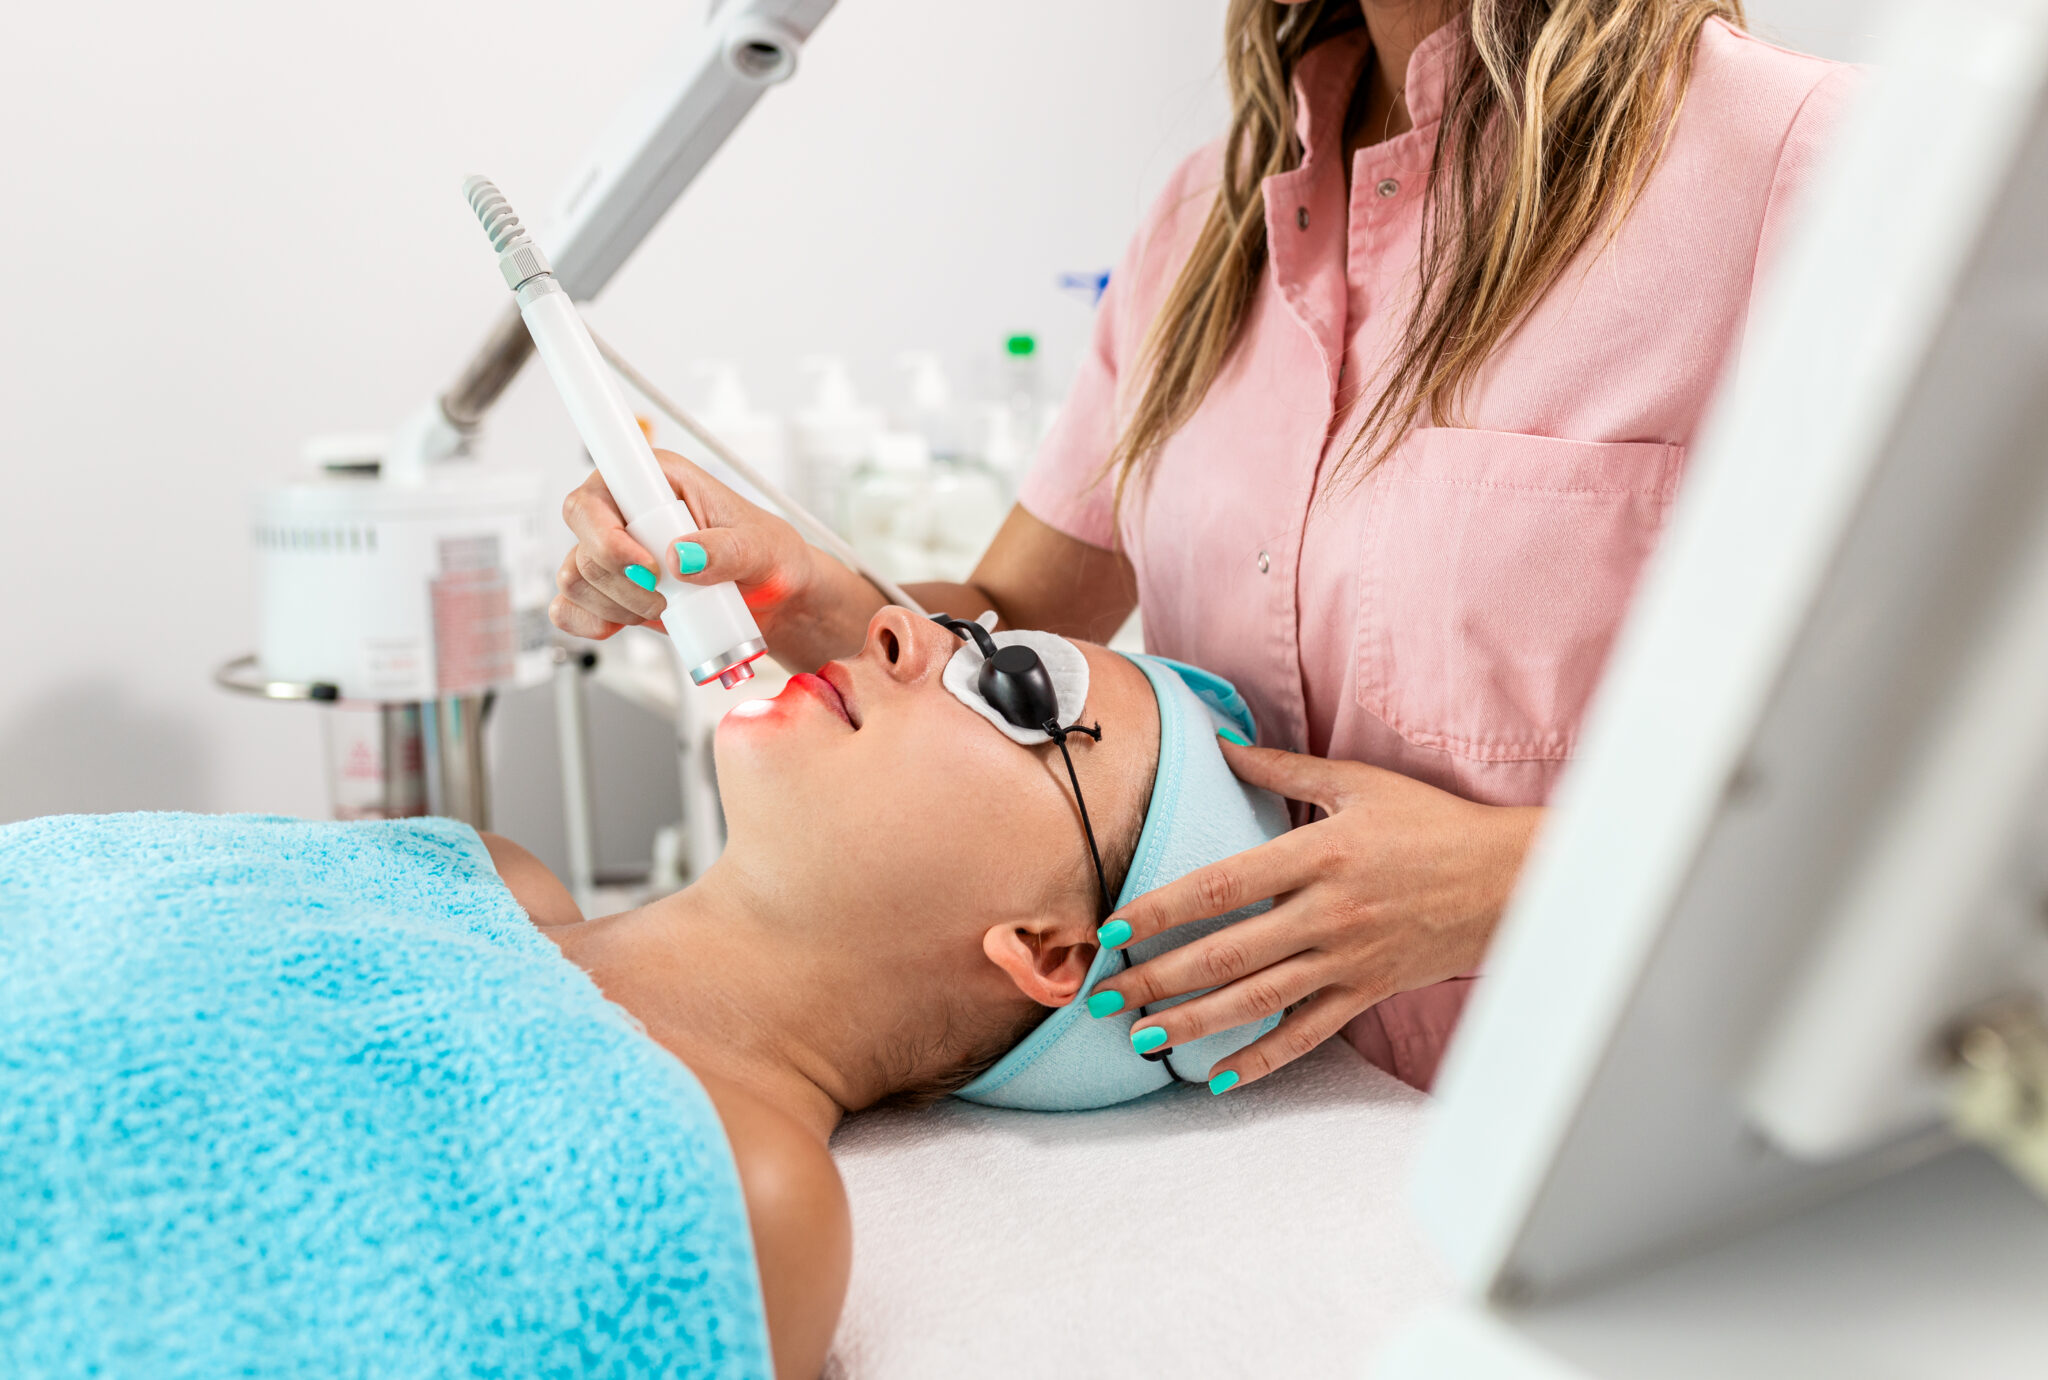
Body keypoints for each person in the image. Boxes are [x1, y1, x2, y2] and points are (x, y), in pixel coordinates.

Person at [547, 1, 1854, 1091]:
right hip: (1276, 1144)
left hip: (1632, 1133)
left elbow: (1982, 777)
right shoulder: (1202, 224)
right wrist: (789, 586)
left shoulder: (1806, 163)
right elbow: (1012, 614)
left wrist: (1510, 878)